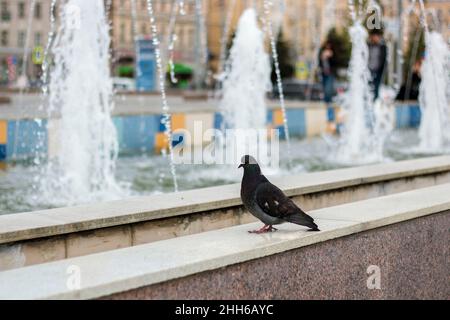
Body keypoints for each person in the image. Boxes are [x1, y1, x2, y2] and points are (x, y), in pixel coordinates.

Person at [318, 41, 337, 123]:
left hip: (330, 74)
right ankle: (327, 113)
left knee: (328, 91)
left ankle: (330, 114)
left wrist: (331, 56)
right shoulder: (322, 53)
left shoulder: (333, 54)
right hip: (324, 74)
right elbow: (320, 63)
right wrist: (322, 57)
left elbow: (336, 63)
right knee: (326, 92)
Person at [367, 29, 388, 101]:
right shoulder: (367, 46)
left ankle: (375, 103)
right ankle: (367, 102)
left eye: (377, 36)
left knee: (376, 88)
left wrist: (383, 70)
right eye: (374, 36)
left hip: (378, 71)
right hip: (368, 71)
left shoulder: (382, 47)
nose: (376, 38)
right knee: (367, 87)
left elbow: (384, 60)